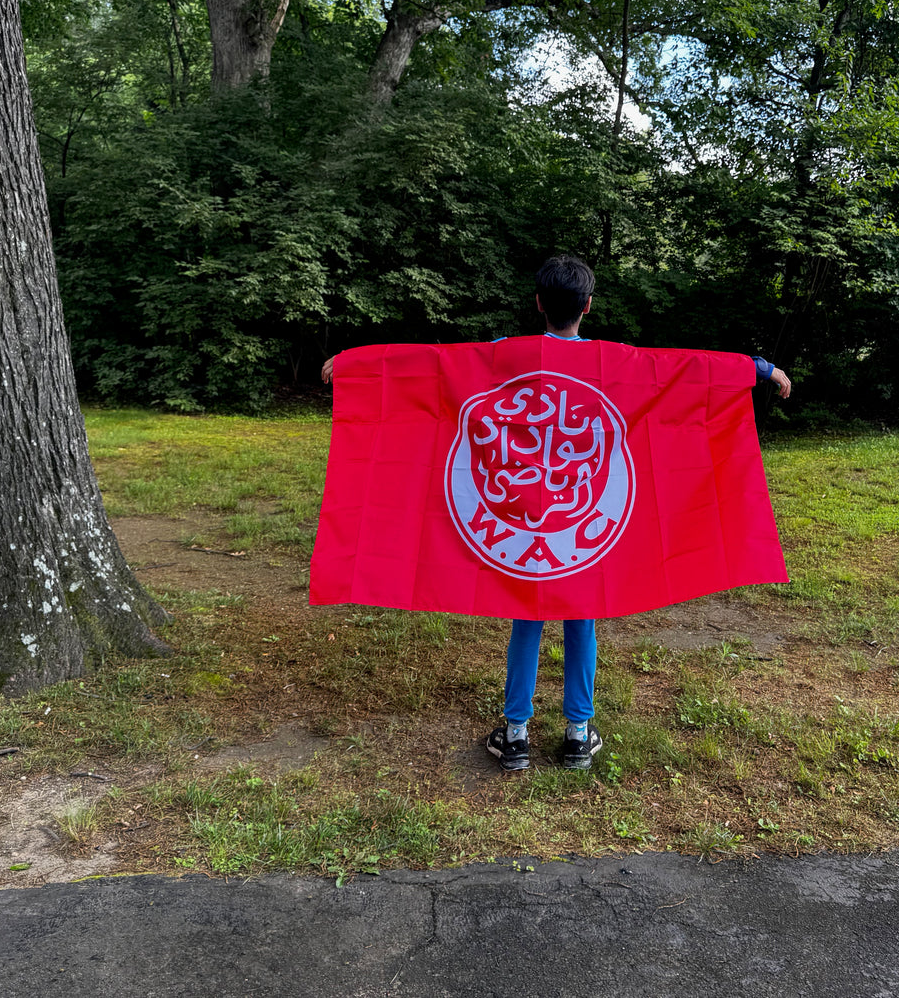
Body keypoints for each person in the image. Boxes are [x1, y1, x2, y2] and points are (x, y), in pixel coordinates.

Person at [321, 256, 791, 773]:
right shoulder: (618, 365)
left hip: (519, 520)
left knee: (526, 617)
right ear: (587, 307)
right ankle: (577, 734)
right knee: (581, 616)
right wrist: (760, 368)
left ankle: (517, 736)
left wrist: (353, 364)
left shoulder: (500, 358)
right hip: (581, 520)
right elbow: (685, 370)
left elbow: (431, 364)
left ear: (538, 303)